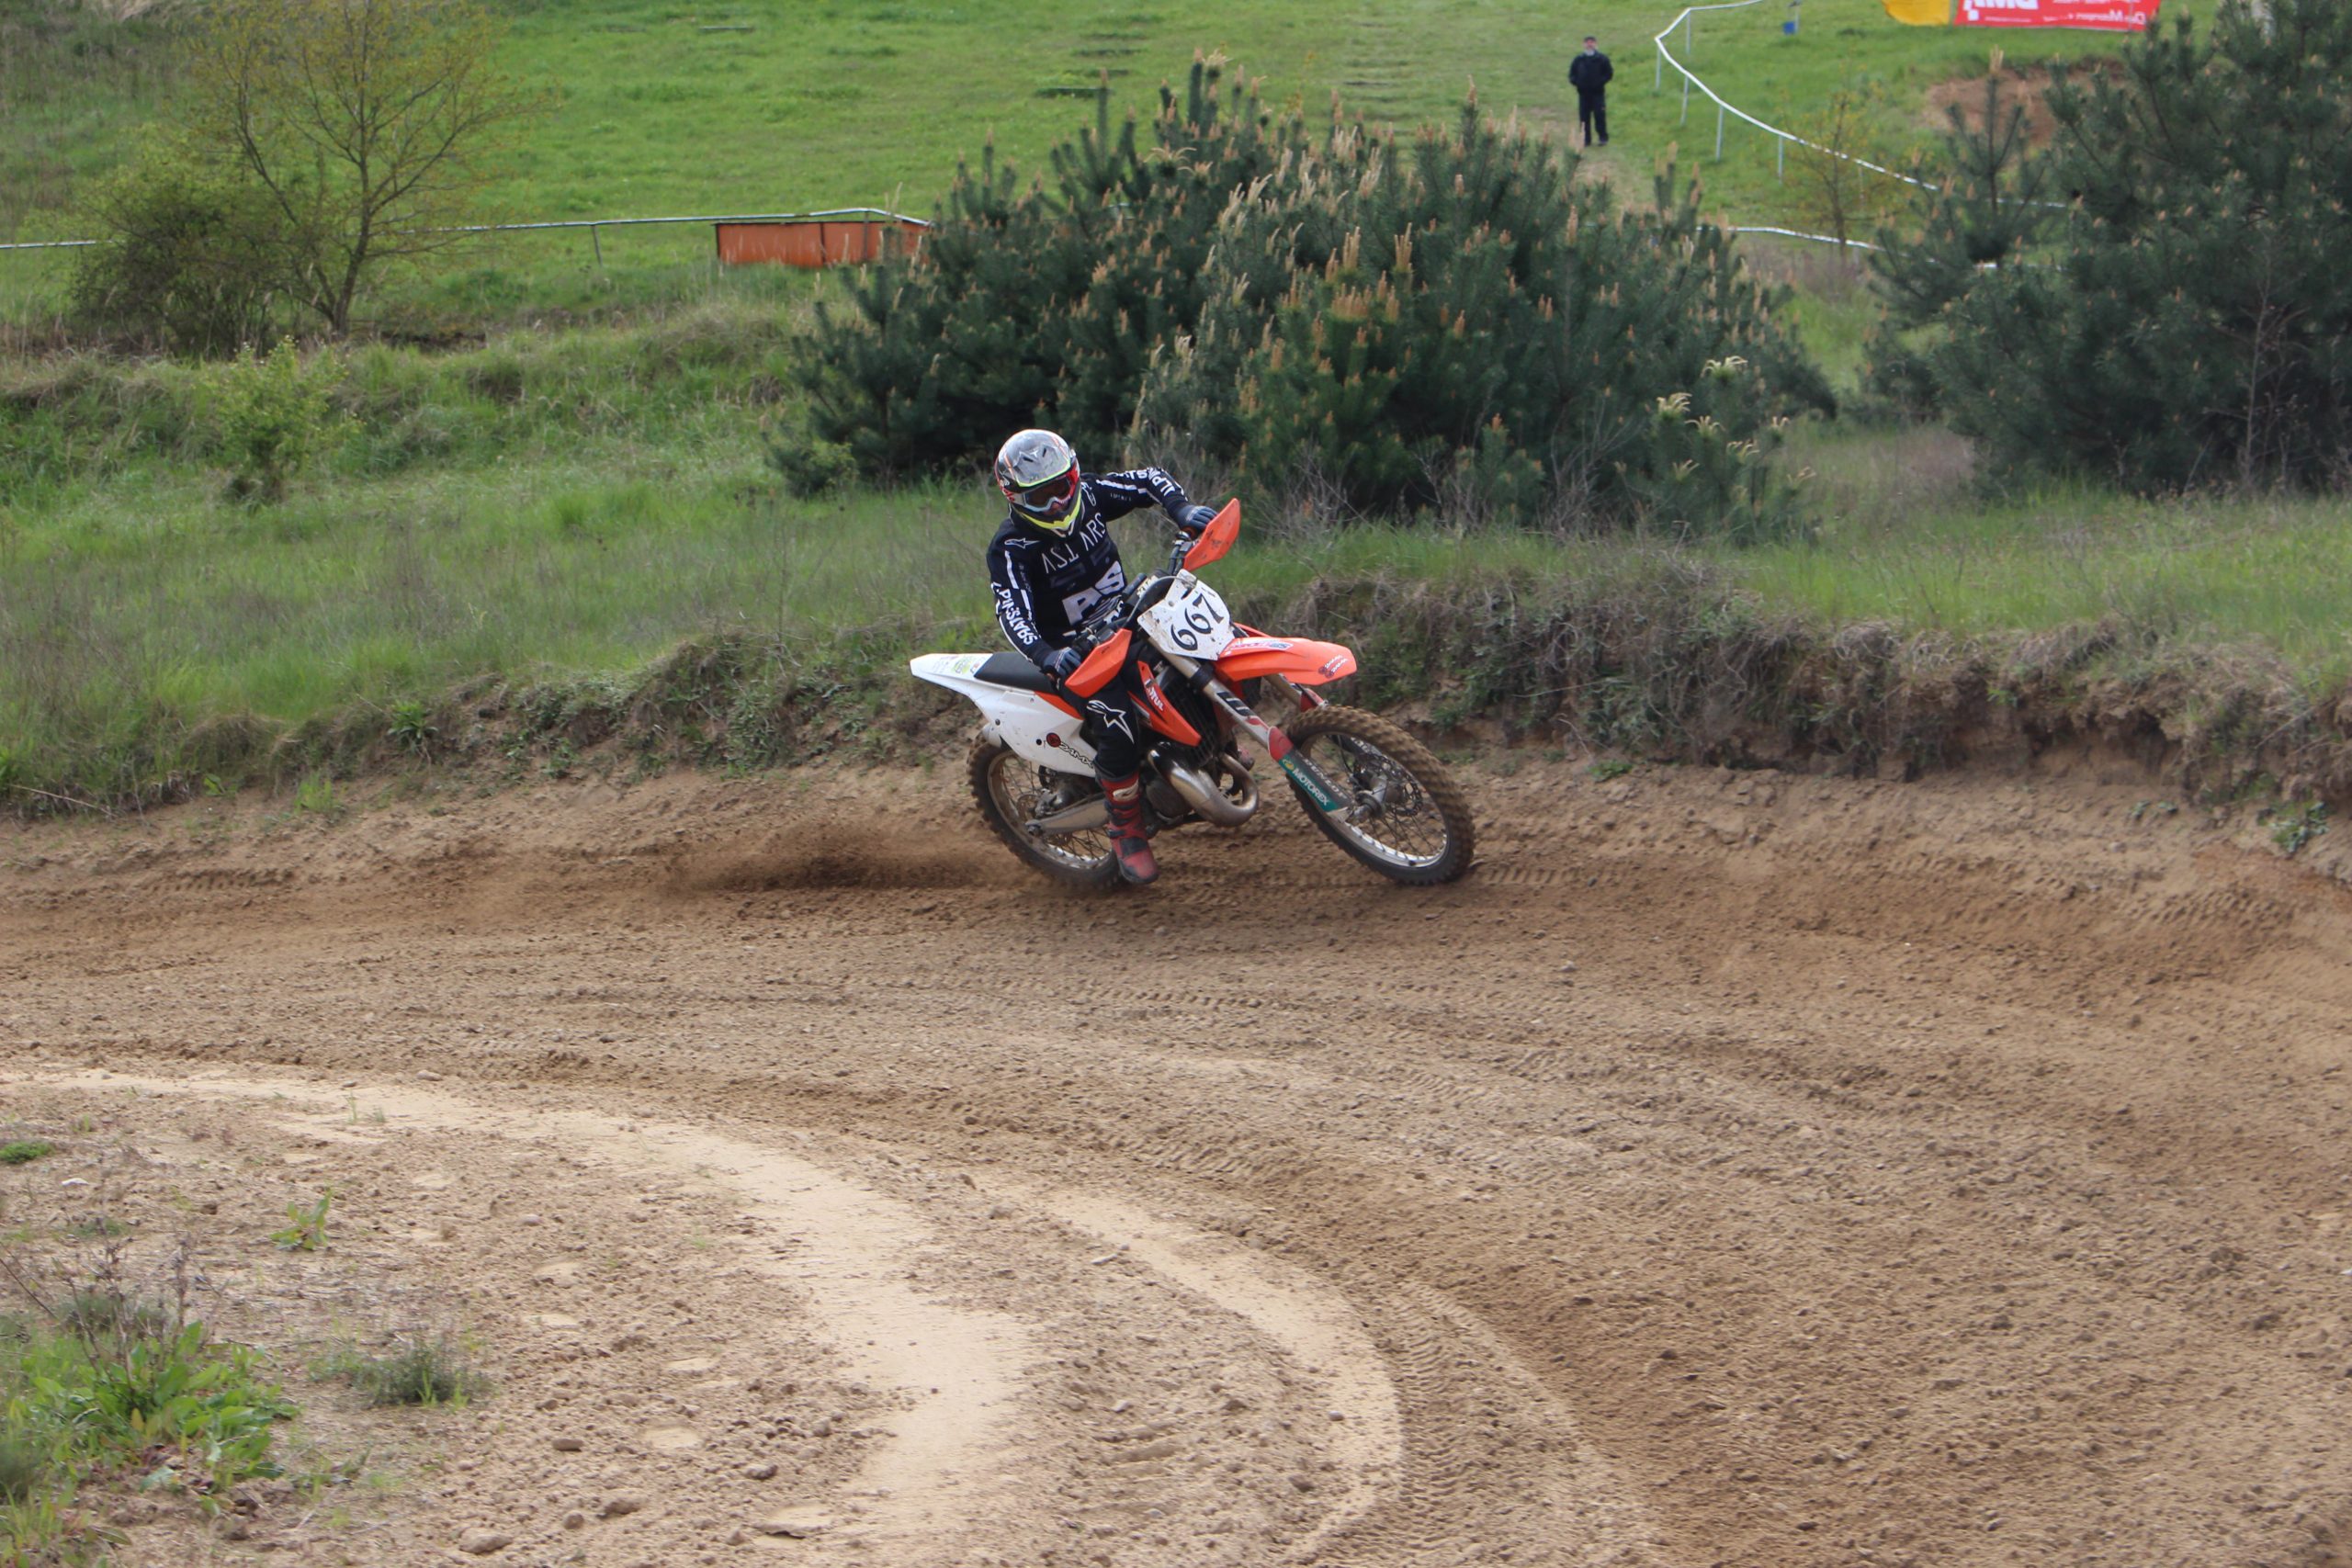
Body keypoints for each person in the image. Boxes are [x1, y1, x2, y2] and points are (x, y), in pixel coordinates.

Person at [986, 428, 1218, 886]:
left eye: (1061, 487)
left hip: (1130, 616)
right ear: (1016, 498)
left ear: (1073, 476)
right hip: (1076, 653)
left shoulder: (1089, 494)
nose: (1057, 504)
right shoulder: (1011, 547)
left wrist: (1182, 509)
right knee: (1118, 721)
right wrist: (1048, 655)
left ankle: (1212, 740)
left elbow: (1148, 479)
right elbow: (1011, 610)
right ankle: (1126, 827)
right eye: (1041, 497)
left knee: (1203, 644)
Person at [1569, 35, 1612, 147]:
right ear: (1584, 44)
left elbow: (1609, 73)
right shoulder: (1578, 60)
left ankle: (1602, 138)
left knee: (1599, 116)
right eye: (1587, 42)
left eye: (1592, 42)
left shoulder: (1602, 59)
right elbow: (1572, 74)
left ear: (1595, 44)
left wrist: (1600, 82)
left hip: (1598, 93)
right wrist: (1578, 83)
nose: (1589, 44)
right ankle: (1585, 139)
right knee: (1584, 117)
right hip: (1583, 94)